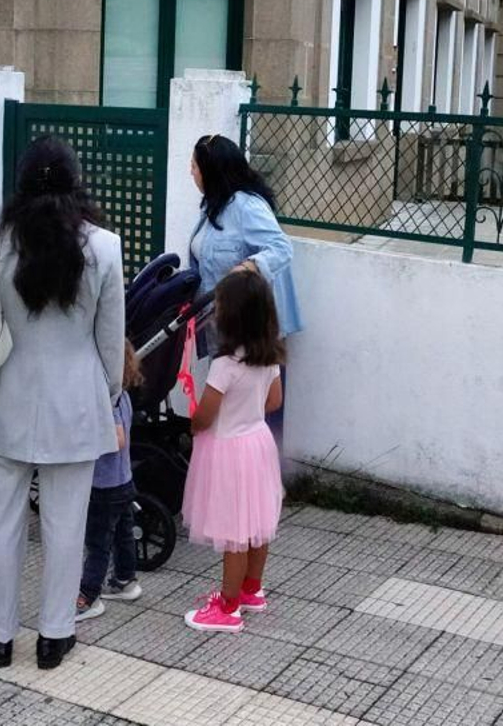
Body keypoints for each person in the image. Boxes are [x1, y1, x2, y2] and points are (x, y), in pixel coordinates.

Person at [0, 137, 124, 671]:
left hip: (1, 396)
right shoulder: (104, 247)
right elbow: (111, 341)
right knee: (66, 525)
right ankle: (54, 636)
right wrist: (108, 396)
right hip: (77, 399)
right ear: (76, 183)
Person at [180, 269, 285, 634]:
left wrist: (193, 422)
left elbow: (206, 414)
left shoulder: (225, 365)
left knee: (234, 531)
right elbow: (274, 401)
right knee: (257, 524)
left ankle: (228, 607)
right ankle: (251, 590)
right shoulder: (268, 356)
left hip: (228, 451)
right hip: (258, 445)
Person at [187, 135, 300, 437]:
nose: (191, 171)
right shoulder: (214, 206)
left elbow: (281, 248)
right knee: (229, 411)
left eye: (195, 166)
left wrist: (248, 268)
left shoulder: (246, 206)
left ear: (212, 171)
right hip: (222, 324)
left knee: (260, 413)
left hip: (252, 328)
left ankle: (263, 473)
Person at [76, 341, 144, 622]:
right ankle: (125, 580)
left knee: (98, 542)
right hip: (123, 480)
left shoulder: (109, 399)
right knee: (122, 533)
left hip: (103, 486)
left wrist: (85, 440)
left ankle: (87, 597)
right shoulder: (124, 396)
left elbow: (117, 439)